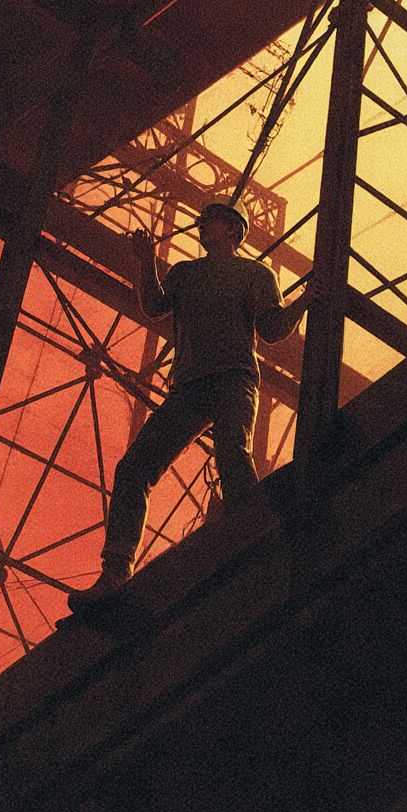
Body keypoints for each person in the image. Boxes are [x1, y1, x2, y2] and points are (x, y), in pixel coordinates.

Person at [68, 201, 319, 609]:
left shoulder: (255, 275)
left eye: (210, 221)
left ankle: (252, 539)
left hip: (233, 379)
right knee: (134, 468)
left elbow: (271, 329)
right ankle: (115, 571)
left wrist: (303, 302)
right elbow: (154, 305)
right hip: (190, 387)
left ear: (233, 229)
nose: (202, 226)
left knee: (232, 455)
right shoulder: (185, 274)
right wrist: (146, 262)